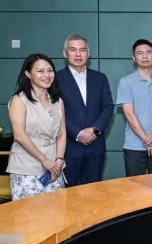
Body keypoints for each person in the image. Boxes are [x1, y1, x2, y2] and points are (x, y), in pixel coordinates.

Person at [6, 54, 66, 200]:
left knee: (56, 214)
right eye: (40, 71)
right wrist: (44, 160)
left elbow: (62, 133)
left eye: (50, 71)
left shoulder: (57, 101)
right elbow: (19, 135)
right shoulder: (19, 100)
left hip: (55, 168)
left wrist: (59, 160)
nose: (47, 75)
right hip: (27, 166)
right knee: (28, 217)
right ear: (28, 74)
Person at [56, 34, 113, 186]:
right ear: (65, 53)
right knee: (68, 196)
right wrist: (78, 133)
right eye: (73, 50)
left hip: (96, 147)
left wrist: (94, 130)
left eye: (82, 50)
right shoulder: (55, 79)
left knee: (94, 195)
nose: (78, 54)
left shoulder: (100, 78)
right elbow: (56, 112)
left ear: (88, 53)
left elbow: (108, 107)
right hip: (69, 148)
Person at [116, 39, 152, 177]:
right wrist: (147, 139)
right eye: (140, 53)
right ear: (134, 58)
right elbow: (129, 114)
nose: (145, 56)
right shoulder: (126, 81)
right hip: (134, 146)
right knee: (135, 190)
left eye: (148, 52)